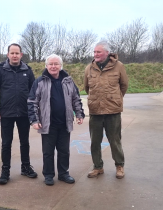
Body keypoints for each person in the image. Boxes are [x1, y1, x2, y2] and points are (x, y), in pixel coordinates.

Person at [28, 54, 85, 186]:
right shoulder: (40, 82)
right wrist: (34, 120)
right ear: (46, 66)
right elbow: (32, 101)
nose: (53, 66)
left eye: (56, 64)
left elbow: (76, 99)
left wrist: (79, 114)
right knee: (48, 152)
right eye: (51, 64)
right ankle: (48, 175)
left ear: (61, 66)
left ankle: (64, 173)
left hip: (65, 123)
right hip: (48, 124)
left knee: (64, 151)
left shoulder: (69, 81)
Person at [0, 43, 37, 185]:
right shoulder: (0, 70)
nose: (15, 55)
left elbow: (34, 92)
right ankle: (5, 171)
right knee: (6, 143)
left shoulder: (27, 71)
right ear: (8, 54)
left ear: (21, 55)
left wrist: (33, 110)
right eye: (12, 53)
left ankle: (25, 167)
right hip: (7, 113)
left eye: (17, 53)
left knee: (25, 142)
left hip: (24, 113)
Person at [84, 41, 129, 179]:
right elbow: (87, 87)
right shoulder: (89, 68)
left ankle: (119, 166)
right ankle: (98, 167)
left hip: (112, 111)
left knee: (115, 141)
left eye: (98, 52)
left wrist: (114, 99)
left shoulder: (119, 66)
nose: (95, 54)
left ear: (107, 53)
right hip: (95, 111)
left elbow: (124, 85)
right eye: (94, 52)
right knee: (95, 141)